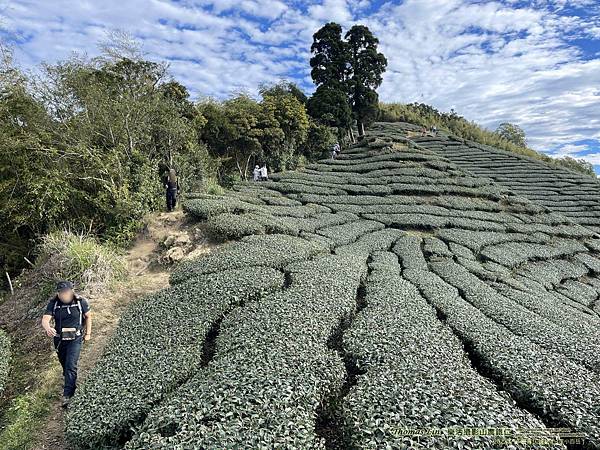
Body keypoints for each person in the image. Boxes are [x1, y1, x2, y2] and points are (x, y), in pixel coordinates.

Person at [41, 281, 92, 407]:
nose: (64, 295)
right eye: (61, 293)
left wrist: (88, 334)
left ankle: (68, 395)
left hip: (75, 338)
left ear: (71, 291)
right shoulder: (54, 304)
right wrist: (48, 328)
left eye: (66, 292)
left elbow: (88, 317)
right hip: (59, 340)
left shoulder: (81, 302)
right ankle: (70, 380)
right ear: (58, 293)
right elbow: (45, 319)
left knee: (70, 365)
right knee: (64, 364)